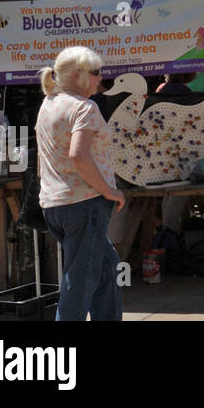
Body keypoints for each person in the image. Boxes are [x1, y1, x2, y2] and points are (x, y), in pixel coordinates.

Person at [34, 46, 125, 321]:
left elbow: (43, 161)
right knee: (80, 282)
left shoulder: (48, 104)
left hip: (56, 205)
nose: (101, 79)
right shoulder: (84, 107)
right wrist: (109, 191)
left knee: (107, 269)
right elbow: (78, 155)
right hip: (84, 204)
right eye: (96, 73)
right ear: (78, 76)